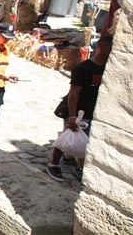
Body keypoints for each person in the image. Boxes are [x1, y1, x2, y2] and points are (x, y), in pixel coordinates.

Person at [47, 35, 112, 180]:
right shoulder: (84, 68)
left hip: (92, 110)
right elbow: (74, 93)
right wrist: (72, 115)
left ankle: (78, 165)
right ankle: (54, 164)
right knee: (66, 138)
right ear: (101, 47)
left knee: (84, 141)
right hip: (78, 110)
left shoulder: (107, 68)